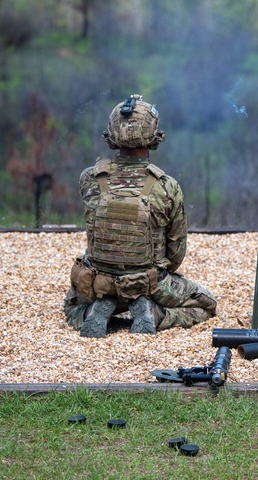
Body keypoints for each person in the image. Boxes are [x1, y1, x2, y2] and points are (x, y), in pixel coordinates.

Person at [64, 94, 217, 338]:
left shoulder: (90, 178)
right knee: (206, 304)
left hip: (97, 282)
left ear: (112, 134)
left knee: (72, 308)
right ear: (154, 135)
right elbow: (176, 253)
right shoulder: (167, 187)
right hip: (149, 283)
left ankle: (97, 309)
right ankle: (155, 313)